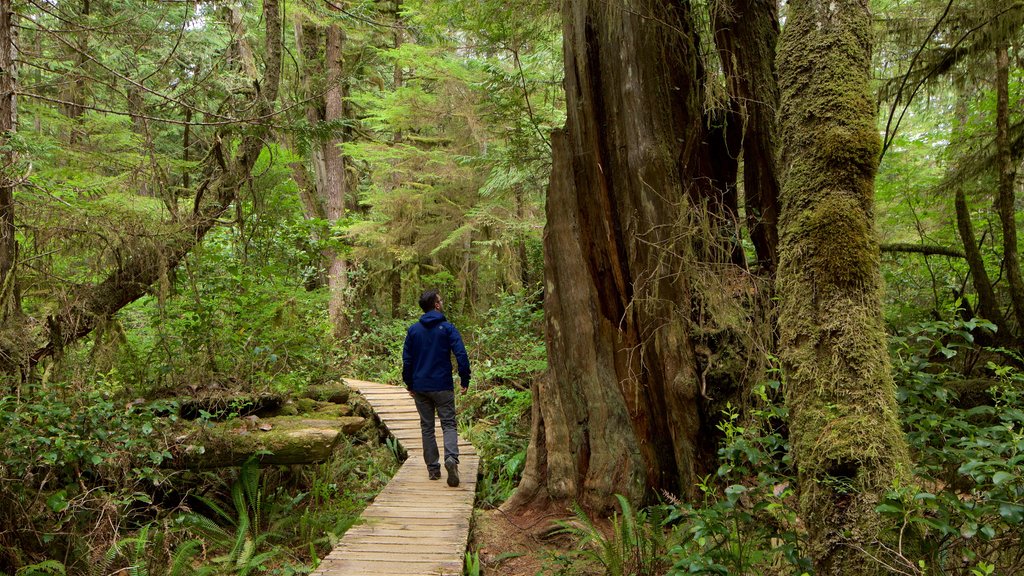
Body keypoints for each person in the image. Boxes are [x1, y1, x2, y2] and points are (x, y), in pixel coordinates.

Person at [402, 290, 471, 487]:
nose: (442, 302)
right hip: (443, 386)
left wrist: (409, 383)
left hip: (421, 387)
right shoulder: (448, 328)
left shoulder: (413, 331)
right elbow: (461, 355)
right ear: (436, 305)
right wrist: (464, 379)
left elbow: (407, 360)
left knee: (427, 428)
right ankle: (451, 459)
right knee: (448, 424)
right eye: (440, 300)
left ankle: (433, 469)